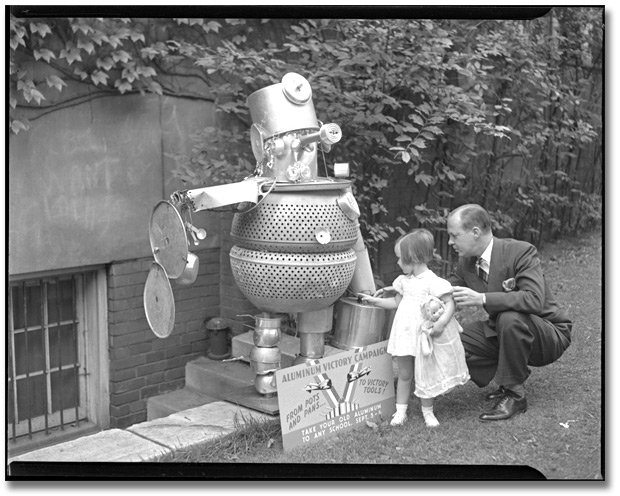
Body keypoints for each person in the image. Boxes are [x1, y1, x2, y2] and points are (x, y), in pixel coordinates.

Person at [446, 204, 572, 421]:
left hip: (547, 333)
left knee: (509, 316)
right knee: (455, 340)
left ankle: (515, 394)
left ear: (475, 232)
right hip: (504, 330)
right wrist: (406, 289)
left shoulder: (521, 251)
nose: (450, 242)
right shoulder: (466, 263)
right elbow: (444, 289)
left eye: (454, 236)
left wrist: (482, 298)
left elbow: (533, 299)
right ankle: (511, 374)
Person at [359, 229, 470, 427]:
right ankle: (400, 411)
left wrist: (441, 322)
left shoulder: (433, 282)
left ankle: (428, 412)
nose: (398, 263)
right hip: (404, 334)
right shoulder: (403, 282)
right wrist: (374, 301)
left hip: (422, 336)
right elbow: (396, 302)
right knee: (404, 374)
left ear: (415, 258)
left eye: (401, 259)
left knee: (425, 372)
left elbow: (450, 302)